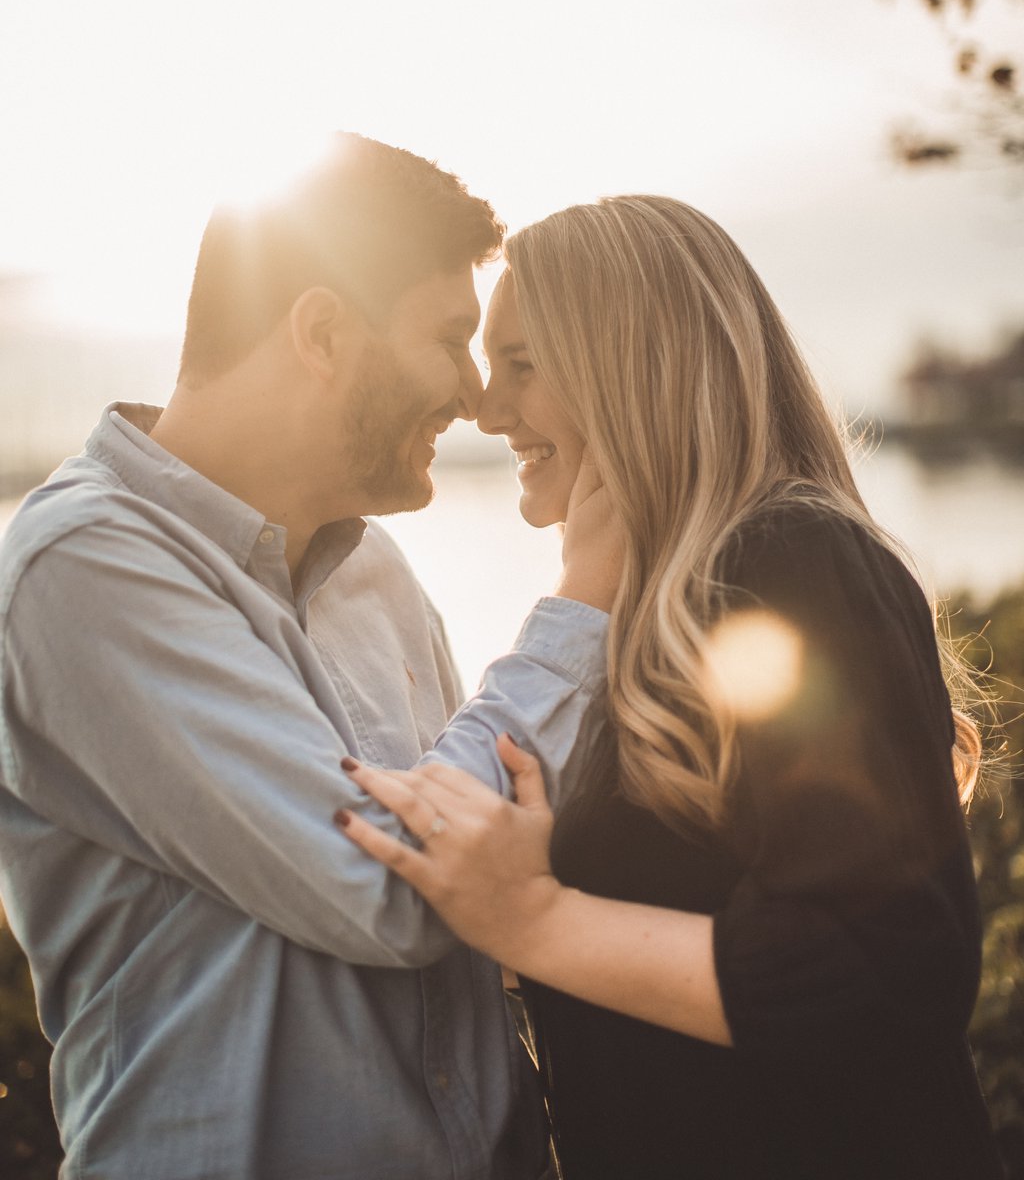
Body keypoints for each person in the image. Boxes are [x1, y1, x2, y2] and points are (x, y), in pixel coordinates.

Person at [338, 194, 1004, 1180]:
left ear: (631, 371)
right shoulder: (651, 612)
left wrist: (535, 920)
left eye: (522, 363)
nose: (484, 406)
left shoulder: (792, 561)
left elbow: (881, 971)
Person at [0, 135, 618, 1180]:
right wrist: (584, 606)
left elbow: (504, 846)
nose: (473, 394)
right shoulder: (80, 569)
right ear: (324, 332)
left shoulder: (374, 569)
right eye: (449, 339)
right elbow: (401, 883)